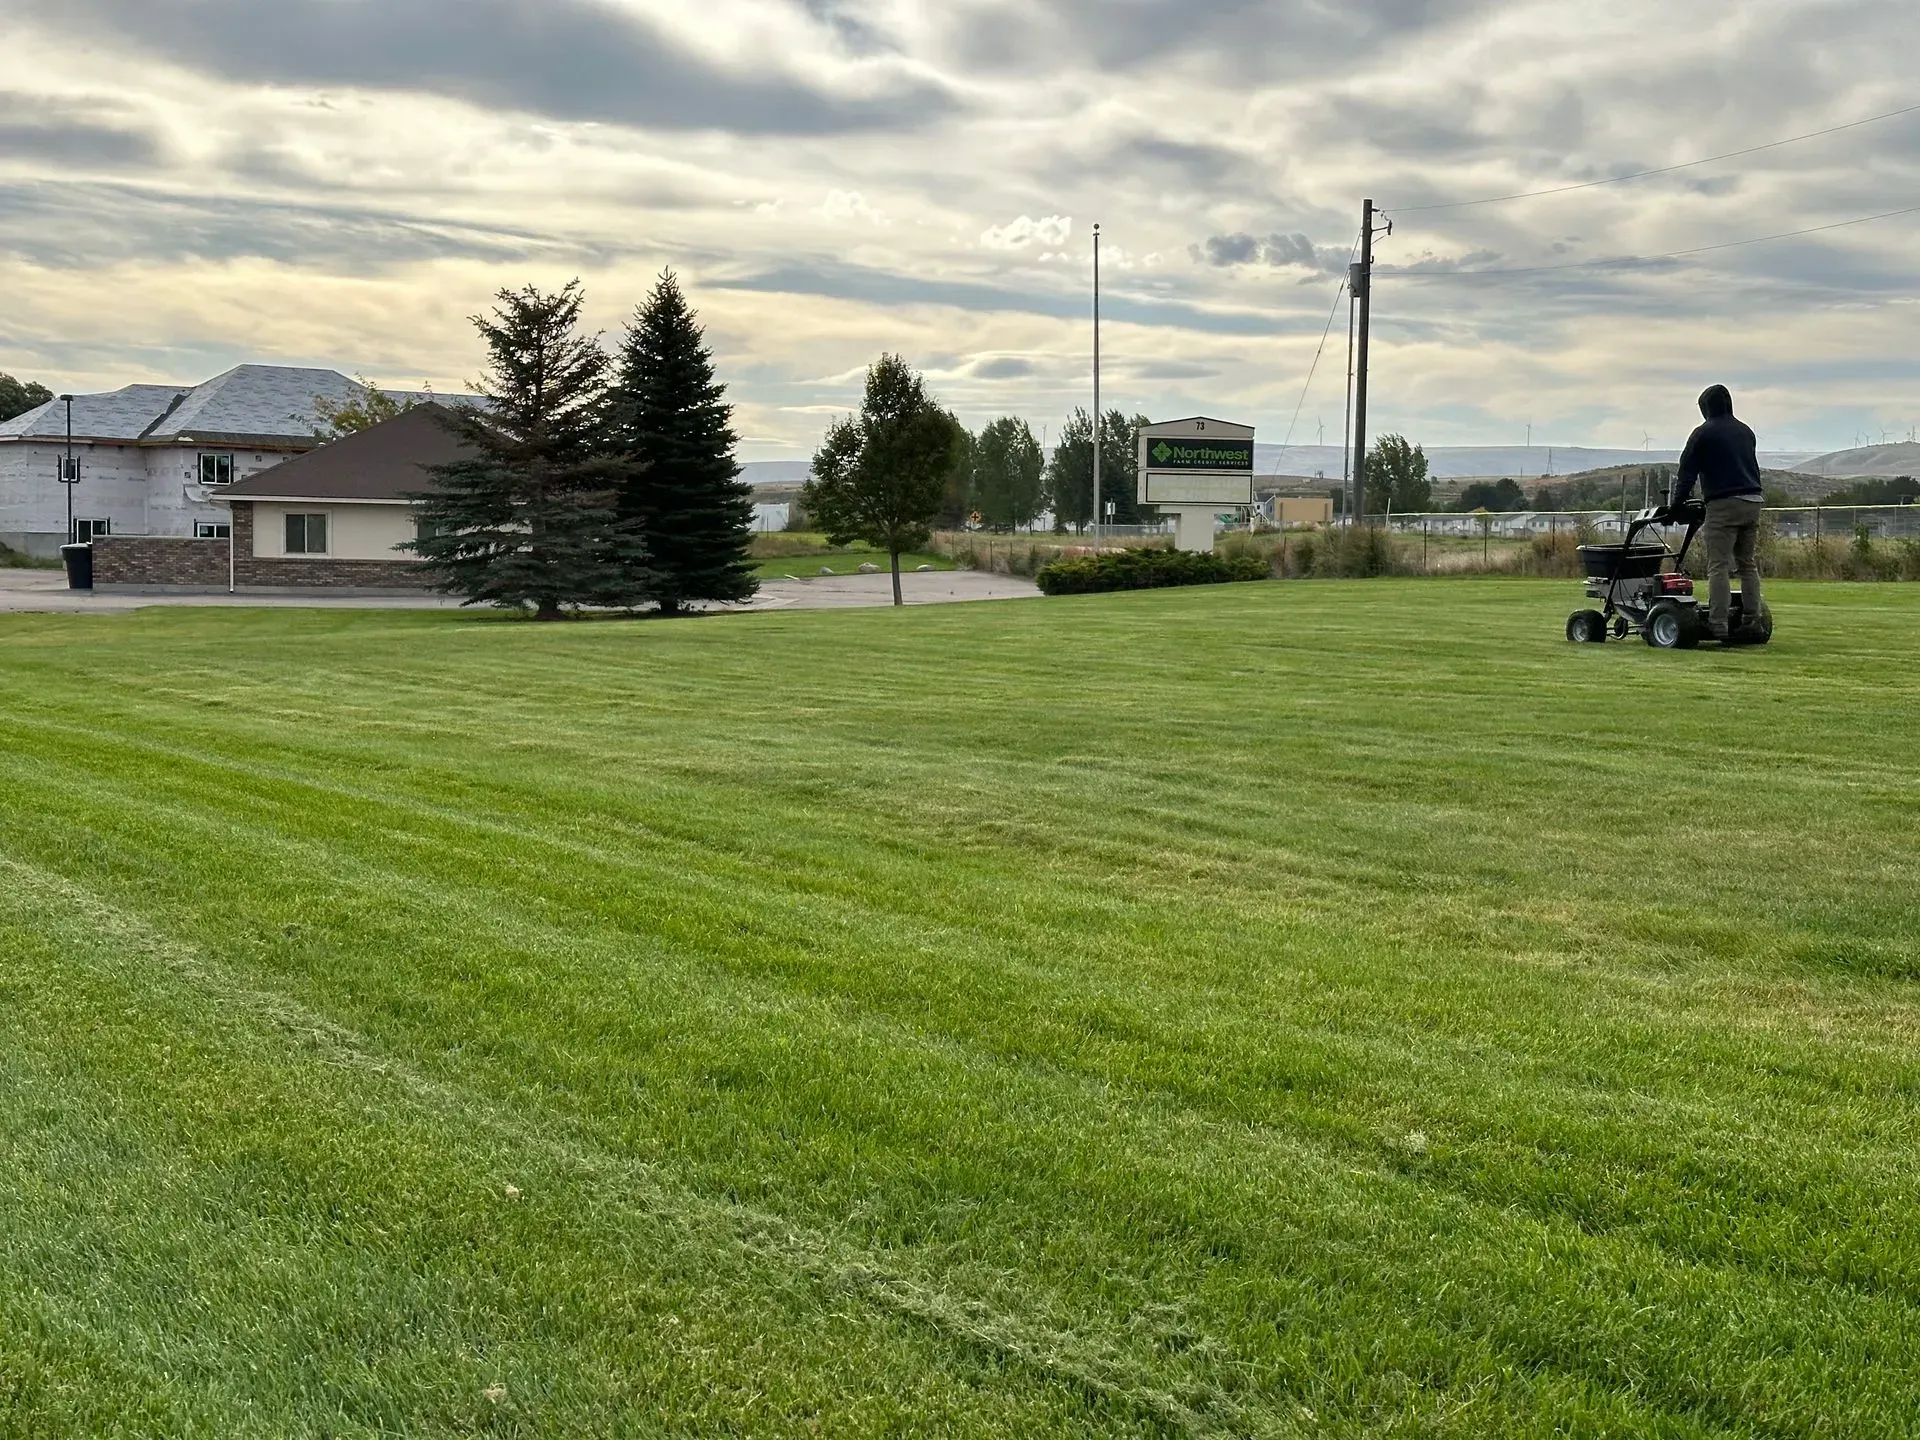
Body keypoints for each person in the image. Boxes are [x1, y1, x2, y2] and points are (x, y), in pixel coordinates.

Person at [1669, 384, 1765, 638]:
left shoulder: (1703, 434)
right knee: (1747, 565)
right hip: (1753, 501)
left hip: (1723, 504)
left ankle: (1718, 623)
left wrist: (1676, 507)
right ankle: (1752, 620)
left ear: (1705, 409)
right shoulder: (1746, 432)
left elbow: (1686, 473)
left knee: (1719, 565)